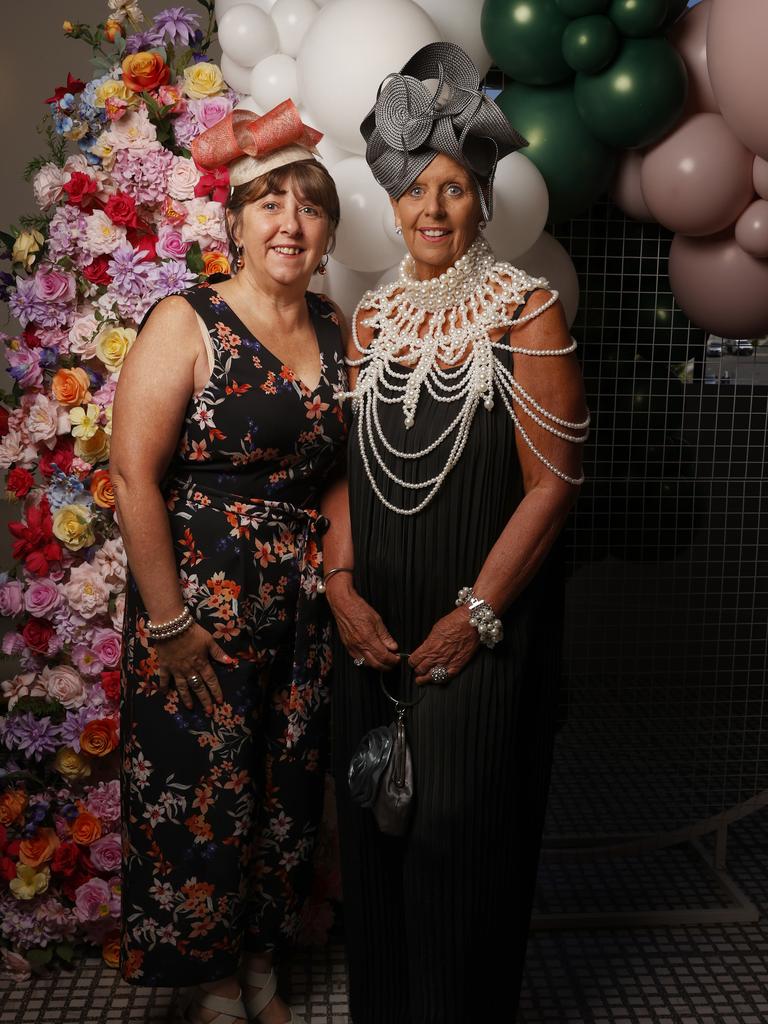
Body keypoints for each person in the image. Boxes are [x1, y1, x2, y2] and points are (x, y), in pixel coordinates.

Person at [320, 44, 590, 1023]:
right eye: (414, 191)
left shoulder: (527, 311)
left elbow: (552, 488)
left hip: (478, 632)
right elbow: (348, 474)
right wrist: (340, 586)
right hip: (371, 629)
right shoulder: (373, 318)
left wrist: (474, 616)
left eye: (454, 190)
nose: (432, 211)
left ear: (483, 200)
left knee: (455, 853)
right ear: (390, 202)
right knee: (376, 847)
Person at [112, 100, 349, 1024]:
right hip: (199, 602)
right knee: (202, 783)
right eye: (268, 202)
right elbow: (133, 475)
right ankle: (209, 979)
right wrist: (167, 623)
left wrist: (338, 583)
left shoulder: (337, 328)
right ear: (237, 222)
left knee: (287, 785)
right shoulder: (189, 318)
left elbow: (336, 477)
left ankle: (259, 962)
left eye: (310, 205)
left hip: (300, 604)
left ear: (328, 229)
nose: (290, 222)